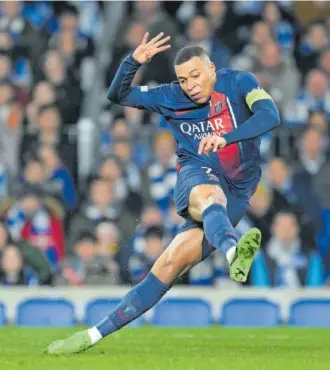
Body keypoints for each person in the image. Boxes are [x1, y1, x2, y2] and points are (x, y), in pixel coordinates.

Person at [47, 33, 280, 355]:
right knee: (210, 196)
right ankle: (232, 252)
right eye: (184, 79)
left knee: (169, 265)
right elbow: (118, 95)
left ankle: (91, 335)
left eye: (196, 75)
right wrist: (133, 62)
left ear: (212, 68)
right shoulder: (169, 95)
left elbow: (271, 116)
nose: (190, 85)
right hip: (196, 173)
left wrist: (227, 138)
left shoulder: (240, 82)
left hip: (239, 190)